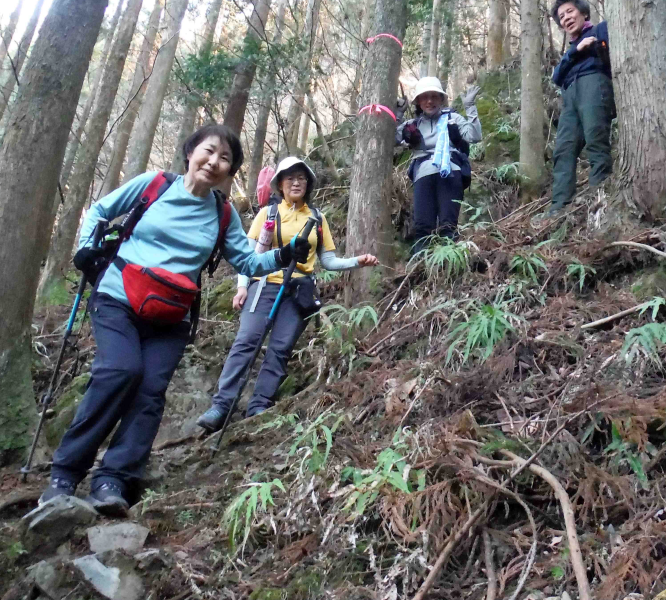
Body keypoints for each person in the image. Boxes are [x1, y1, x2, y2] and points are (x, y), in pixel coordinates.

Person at [43, 126, 309, 516]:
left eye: (225, 159)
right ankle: (65, 473)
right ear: (190, 152)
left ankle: (113, 479)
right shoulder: (154, 184)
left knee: (150, 392)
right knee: (120, 370)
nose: (214, 162)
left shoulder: (222, 213)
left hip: (172, 314)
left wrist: (285, 255)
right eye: (209, 151)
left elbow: (249, 262)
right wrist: (86, 248)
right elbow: (100, 211)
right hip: (118, 297)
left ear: (230, 171)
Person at [197, 157, 378, 428]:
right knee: (246, 342)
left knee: (280, 349)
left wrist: (356, 262)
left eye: (302, 178)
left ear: (308, 184)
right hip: (265, 285)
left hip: (299, 290)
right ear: (280, 184)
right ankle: (222, 405)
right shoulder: (267, 214)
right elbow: (247, 256)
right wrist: (242, 287)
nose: (296, 182)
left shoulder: (317, 218)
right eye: (290, 178)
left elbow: (328, 261)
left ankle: (259, 406)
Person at [547, 0, 616, 217]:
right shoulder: (570, 50)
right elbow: (557, 77)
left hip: (594, 85)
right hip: (570, 96)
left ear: (583, 12)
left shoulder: (600, 30)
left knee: (596, 139)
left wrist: (594, 45)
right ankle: (559, 206)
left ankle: (599, 197)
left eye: (570, 11)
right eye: (561, 17)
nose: (566, 18)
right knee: (564, 148)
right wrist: (575, 51)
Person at [396, 77, 482, 251]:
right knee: (422, 226)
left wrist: (470, 106)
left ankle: (448, 268)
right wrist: (397, 115)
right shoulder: (413, 125)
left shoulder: (453, 118)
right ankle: (420, 269)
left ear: (441, 99)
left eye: (434, 96)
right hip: (423, 175)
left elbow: (474, 136)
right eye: (425, 97)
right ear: (418, 102)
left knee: (448, 225)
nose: (429, 101)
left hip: (451, 171)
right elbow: (391, 140)